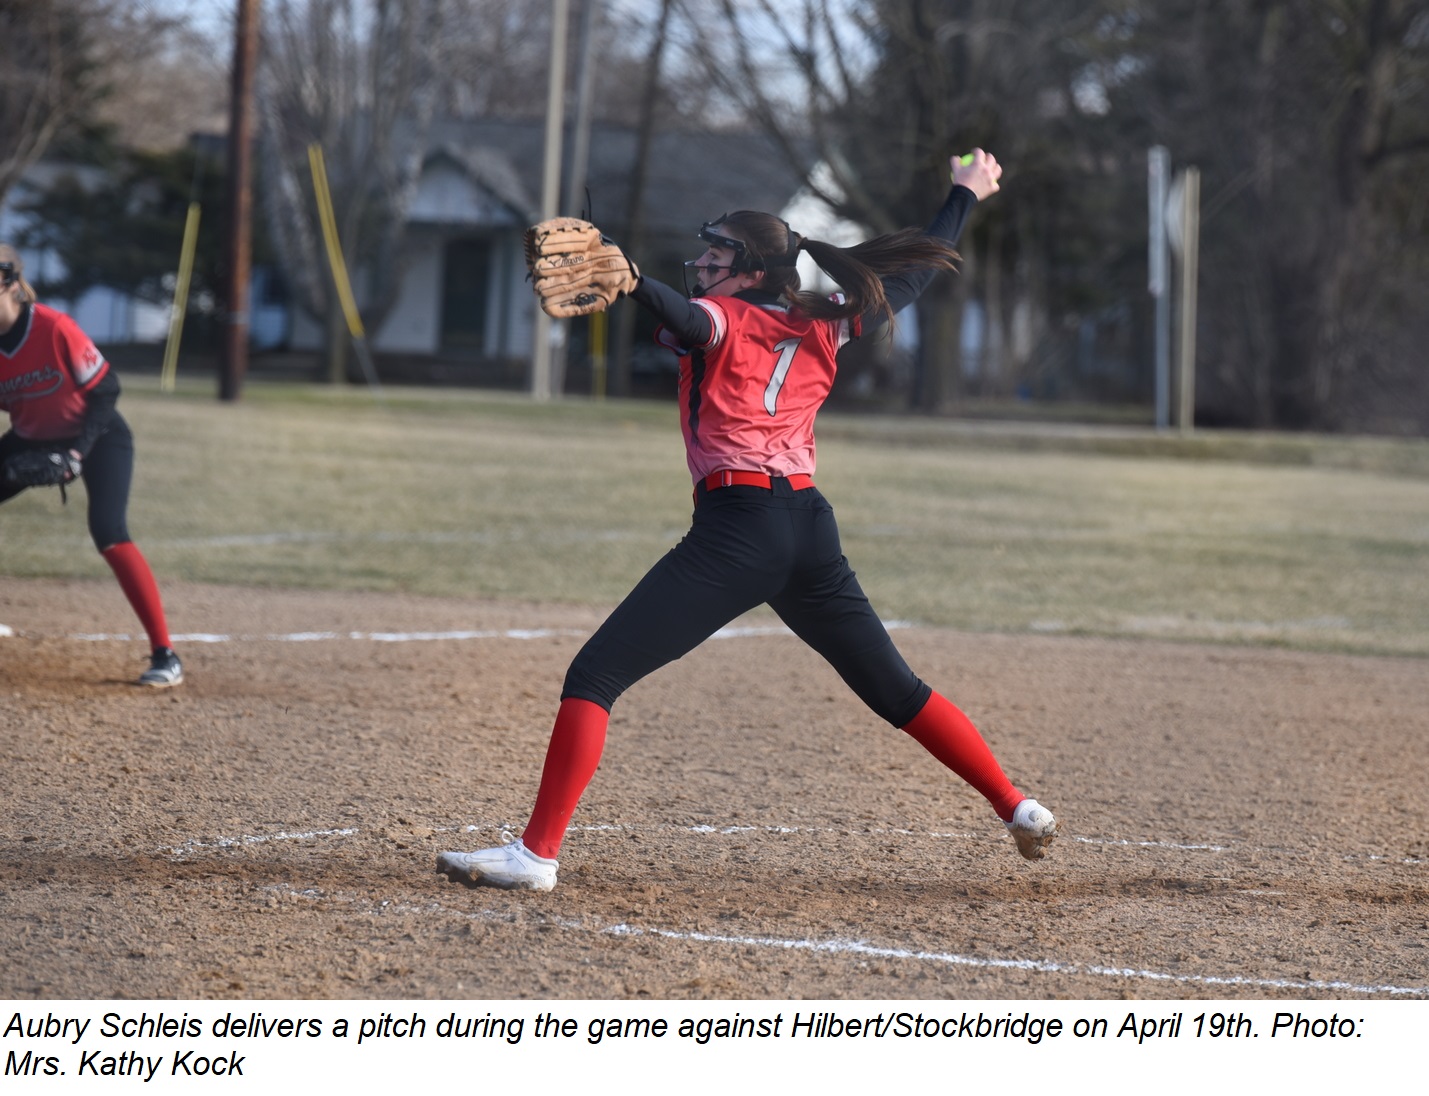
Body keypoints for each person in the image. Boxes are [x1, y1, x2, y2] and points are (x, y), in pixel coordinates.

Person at [438, 150, 1055, 891]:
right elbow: (913, 277)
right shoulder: (826, 324)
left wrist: (634, 283)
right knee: (899, 691)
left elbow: (685, 318)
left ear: (754, 271)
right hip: (807, 528)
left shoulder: (722, 318)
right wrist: (963, 194)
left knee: (594, 675)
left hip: (739, 528)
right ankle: (1015, 806)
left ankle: (536, 856)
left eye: (718, 253)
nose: (702, 261)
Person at [0, 244, 183, 687]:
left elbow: (106, 390)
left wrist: (76, 455)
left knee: (109, 531)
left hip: (98, 436)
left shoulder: (54, 327)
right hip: (30, 438)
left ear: (7, 284)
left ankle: (165, 654)